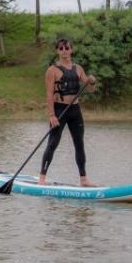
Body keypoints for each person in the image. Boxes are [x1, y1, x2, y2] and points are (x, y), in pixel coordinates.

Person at [40, 38, 97, 186]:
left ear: (71, 50)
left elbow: (90, 89)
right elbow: (49, 94)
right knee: (53, 143)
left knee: (79, 144)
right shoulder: (52, 70)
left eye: (67, 48)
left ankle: (84, 179)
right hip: (60, 110)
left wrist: (92, 81)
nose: (64, 51)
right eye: (61, 48)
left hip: (75, 111)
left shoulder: (78, 69)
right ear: (57, 51)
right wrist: (52, 115)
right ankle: (42, 178)